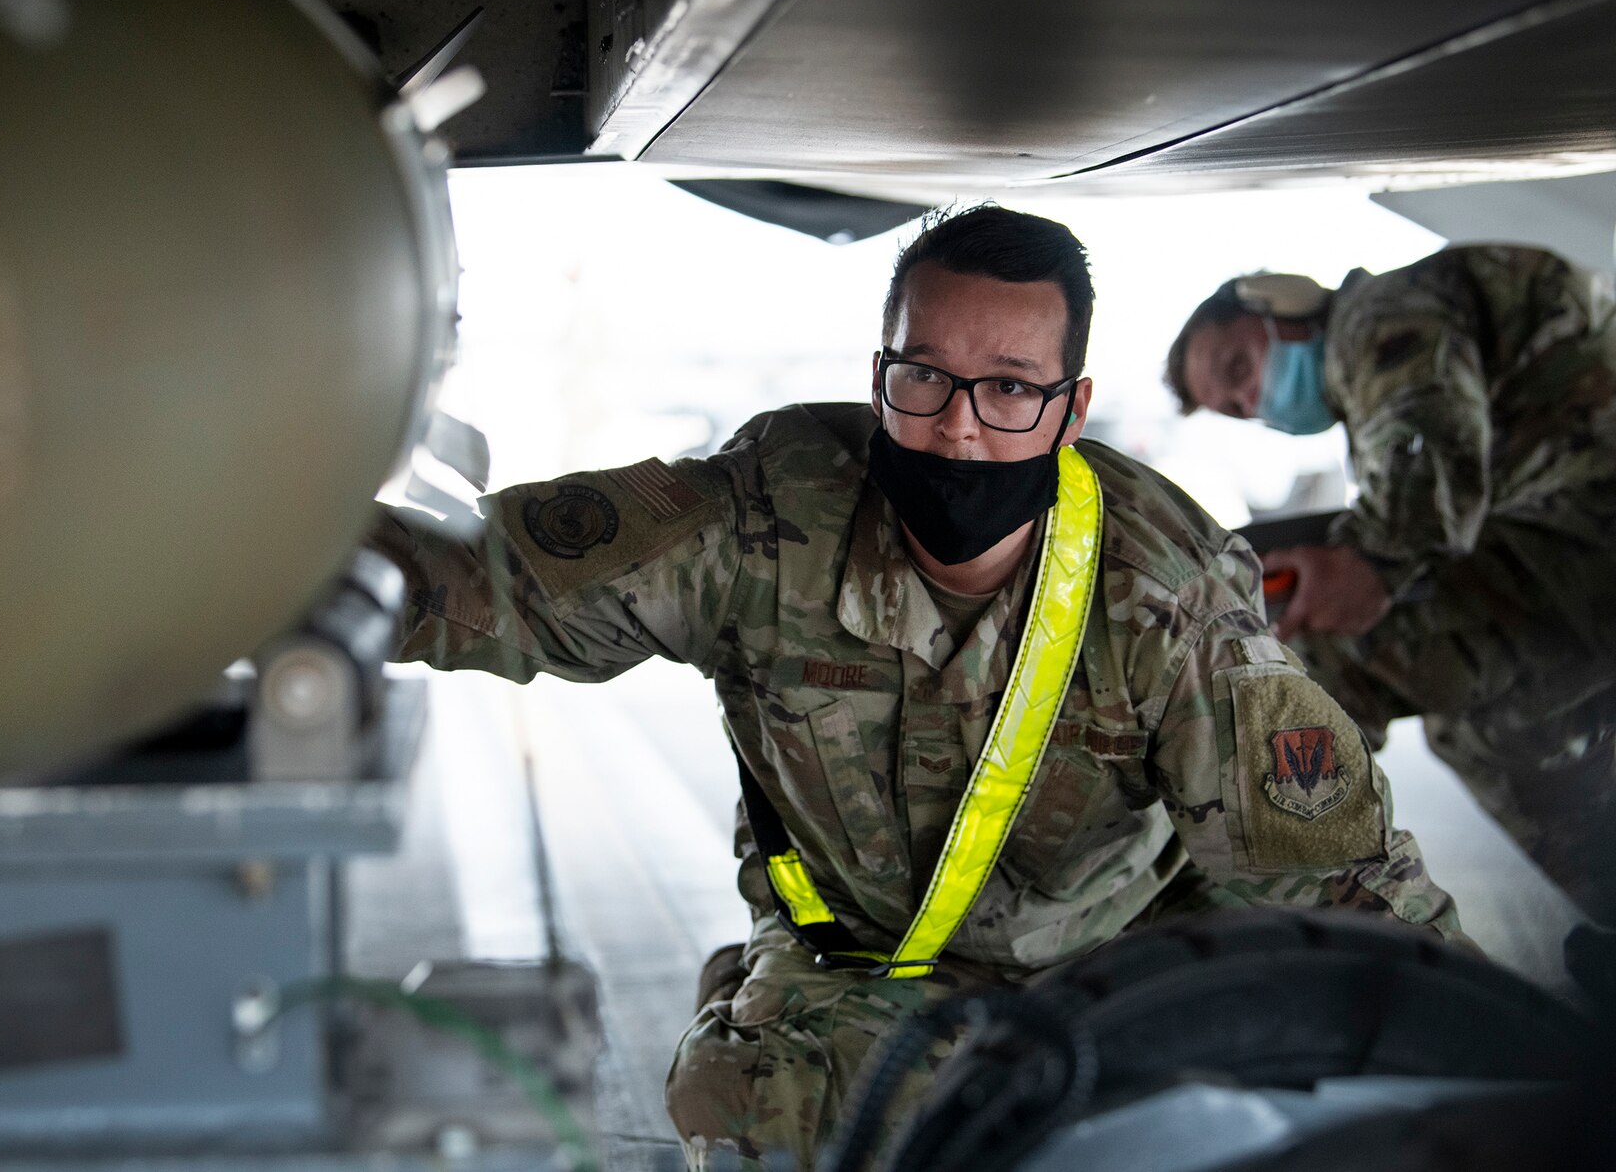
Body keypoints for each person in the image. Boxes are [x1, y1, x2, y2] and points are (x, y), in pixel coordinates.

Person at [372, 205, 1461, 1169]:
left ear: (1069, 408)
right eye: (922, 374)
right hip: (856, 960)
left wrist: (1507, 1079)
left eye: (1007, 390)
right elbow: (474, 582)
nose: (954, 423)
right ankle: (759, 1002)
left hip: (1111, 966)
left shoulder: (1160, 591)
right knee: (763, 1117)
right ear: (879, 368)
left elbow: (1342, 884)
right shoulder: (764, 519)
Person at [1166, 247, 1616, 923]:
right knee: (1470, 715)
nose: (1255, 400)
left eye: (1241, 369)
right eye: (1238, 406)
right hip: (1578, 544)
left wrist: (1368, 563)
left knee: (1332, 659)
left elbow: (1425, 434)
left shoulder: (1376, 319)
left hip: (1589, 530)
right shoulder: (1373, 360)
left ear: (1277, 302)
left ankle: (1282, 884)